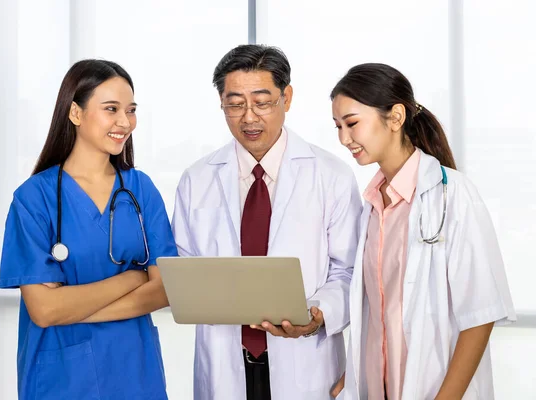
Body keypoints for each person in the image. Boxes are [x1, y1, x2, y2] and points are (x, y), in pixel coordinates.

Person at [171, 44, 362, 400]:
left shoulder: (331, 175)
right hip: (224, 359)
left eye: (262, 102)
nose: (248, 117)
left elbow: (349, 271)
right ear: (221, 104)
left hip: (304, 362)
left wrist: (318, 314)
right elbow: (182, 270)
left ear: (286, 98)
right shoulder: (196, 179)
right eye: (235, 104)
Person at [329, 63, 516, 400]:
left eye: (352, 123)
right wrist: (352, 376)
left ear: (396, 117)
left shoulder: (452, 195)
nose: (344, 138)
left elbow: (480, 317)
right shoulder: (371, 205)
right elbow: (378, 314)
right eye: (338, 126)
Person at [0, 59, 177, 400]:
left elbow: (165, 290)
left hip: (135, 373)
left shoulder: (141, 190)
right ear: (76, 113)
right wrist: (132, 279)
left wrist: (72, 308)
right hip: (61, 380)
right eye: (111, 109)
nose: (125, 122)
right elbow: (45, 310)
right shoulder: (34, 199)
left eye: (131, 110)